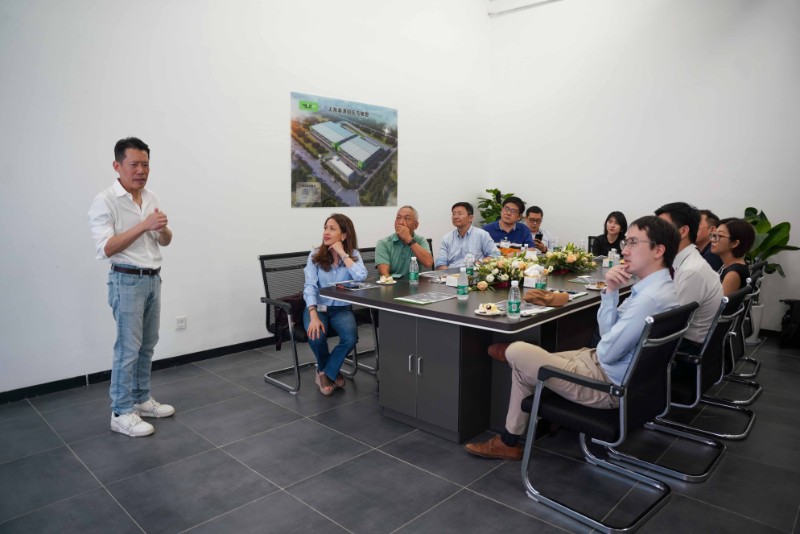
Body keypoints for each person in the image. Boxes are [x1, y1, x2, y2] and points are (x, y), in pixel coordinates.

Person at [465, 216, 680, 460]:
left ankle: (511, 432)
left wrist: (606, 341)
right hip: (610, 369)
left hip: (606, 384)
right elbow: (608, 334)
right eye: (626, 243)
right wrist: (610, 290)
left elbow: (608, 350)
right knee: (524, 365)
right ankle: (509, 441)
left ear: (658, 250)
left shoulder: (648, 299)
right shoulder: (659, 288)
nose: (625, 250)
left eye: (632, 242)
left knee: (517, 352)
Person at [88, 137, 175, 438]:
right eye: (134, 164)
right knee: (128, 348)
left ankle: (141, 399)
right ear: (117, 166)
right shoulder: (105, 201)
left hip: (152, 278)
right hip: (125, 280)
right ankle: (121, 411)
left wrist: (162, 228)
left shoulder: (150, 197)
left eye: (145, 164)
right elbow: (106, 248)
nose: (141, 170)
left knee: (148, 343)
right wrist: (143, 225)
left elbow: (165, 240)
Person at [304, 214, 367, 396]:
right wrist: (313, 315)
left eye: (332, 229)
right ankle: (328, 372)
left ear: (344, 235)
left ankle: (325, 372)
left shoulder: (353, 255)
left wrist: (342, 253)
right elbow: (309, 286)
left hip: (341, 308)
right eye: (325, 228)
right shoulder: (315, 255)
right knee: (316, 336)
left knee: (350, 338)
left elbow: (361, 276)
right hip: (318, 307)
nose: (326, 232)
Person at [655, 202, 723, 354]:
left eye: (662, 227)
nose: (654, 233)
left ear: (683, 231)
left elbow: (671, 323)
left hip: (687, 347)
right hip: (683, 338)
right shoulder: (684, 261)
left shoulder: (691, 270)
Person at [435, 202, 500, 270]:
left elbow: (495, 255)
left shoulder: (482, 235)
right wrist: (449, 275)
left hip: (475, 272)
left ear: (470, 218)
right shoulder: (447, 238)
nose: (455, 217)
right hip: (452, 274)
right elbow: (440, 263)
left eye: (460, 214)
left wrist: (479, 263)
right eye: (454, 214)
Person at [375, 205, 433, 278]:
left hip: (414, 282)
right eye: (398, 218)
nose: (401, 222)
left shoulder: (421, 241)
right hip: (391, 283)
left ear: (416, 225)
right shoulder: (383, 243)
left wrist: (409, 239)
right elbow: (385, 274)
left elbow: (428, 263)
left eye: (407, 218)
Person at [712, 217, 756, 295]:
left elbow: (719, 302)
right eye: (714, 235)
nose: (713, 239)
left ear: (734, 243)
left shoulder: (733, 274)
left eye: (719, 235)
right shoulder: (729, 264)